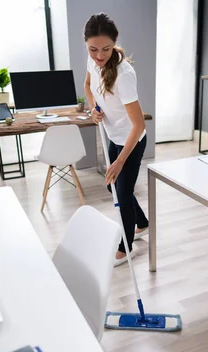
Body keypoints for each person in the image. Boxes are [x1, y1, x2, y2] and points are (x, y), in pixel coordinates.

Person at [83, 13, 148, 266]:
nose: (99, 56)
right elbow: (88, 85)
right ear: (87, 44)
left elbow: (139, 124)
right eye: (93, 49)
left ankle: (127, 246)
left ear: (115, 42)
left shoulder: (124, 75)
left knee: (121, 193)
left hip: (131, 140)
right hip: (114, 135)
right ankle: (142, 223)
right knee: (113, 186)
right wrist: (93, 107)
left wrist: (120, 162)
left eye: (106, 49)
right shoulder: (93, 62)